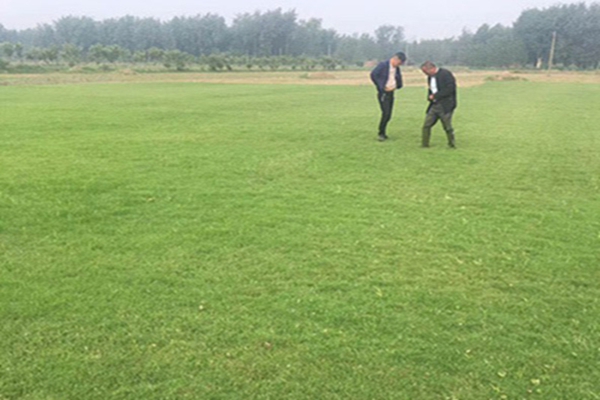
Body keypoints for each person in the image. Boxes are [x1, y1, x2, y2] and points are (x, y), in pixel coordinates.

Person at [370, 52, 407, 142]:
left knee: (389, 115)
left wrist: (398, 85)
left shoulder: (396, 68)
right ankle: (381, 133)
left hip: (391, 93)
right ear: (395, 59)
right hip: (383, 93)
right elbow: (373, 75)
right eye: (399, 63)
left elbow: (398, 78)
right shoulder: (383, 65)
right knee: (386, 113)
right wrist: (381, 86)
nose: (399, 65)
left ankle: (383, 132)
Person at [420, 61, 457, 148]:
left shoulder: (446, 74)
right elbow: (431, 89)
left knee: (447, 126)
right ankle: (424, 145)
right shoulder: (429, 77)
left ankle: (451, 144)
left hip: (446, 105)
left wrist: (436, 95)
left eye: (425, 72)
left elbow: (450, 89)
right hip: (434, 105)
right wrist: (429, 97)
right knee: (426, 125)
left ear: (432, 68)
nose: (425, 74)